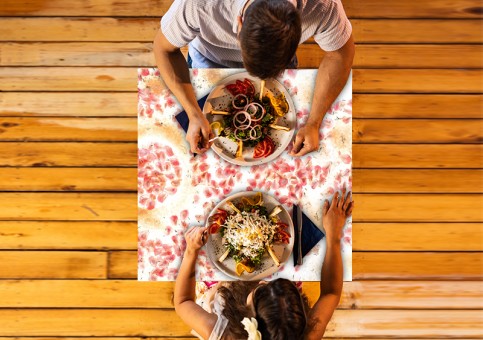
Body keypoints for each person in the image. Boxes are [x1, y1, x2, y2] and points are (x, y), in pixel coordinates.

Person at [154, 0, 355, 156]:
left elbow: (340, 54)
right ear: (239, 23)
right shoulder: (197, 5)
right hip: (209, 60)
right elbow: (163, 49)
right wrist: (193, 114)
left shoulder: (323, 6)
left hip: (282, 68)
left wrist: (314, 122)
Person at [174, 189, 353, 339]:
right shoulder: (306, 335)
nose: (264, 281)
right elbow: (331, 293)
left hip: (224, 296)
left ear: (249, 319)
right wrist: (333, 236)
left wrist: (191, 251)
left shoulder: (224, 334)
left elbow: (183, 301)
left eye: (262, 289)